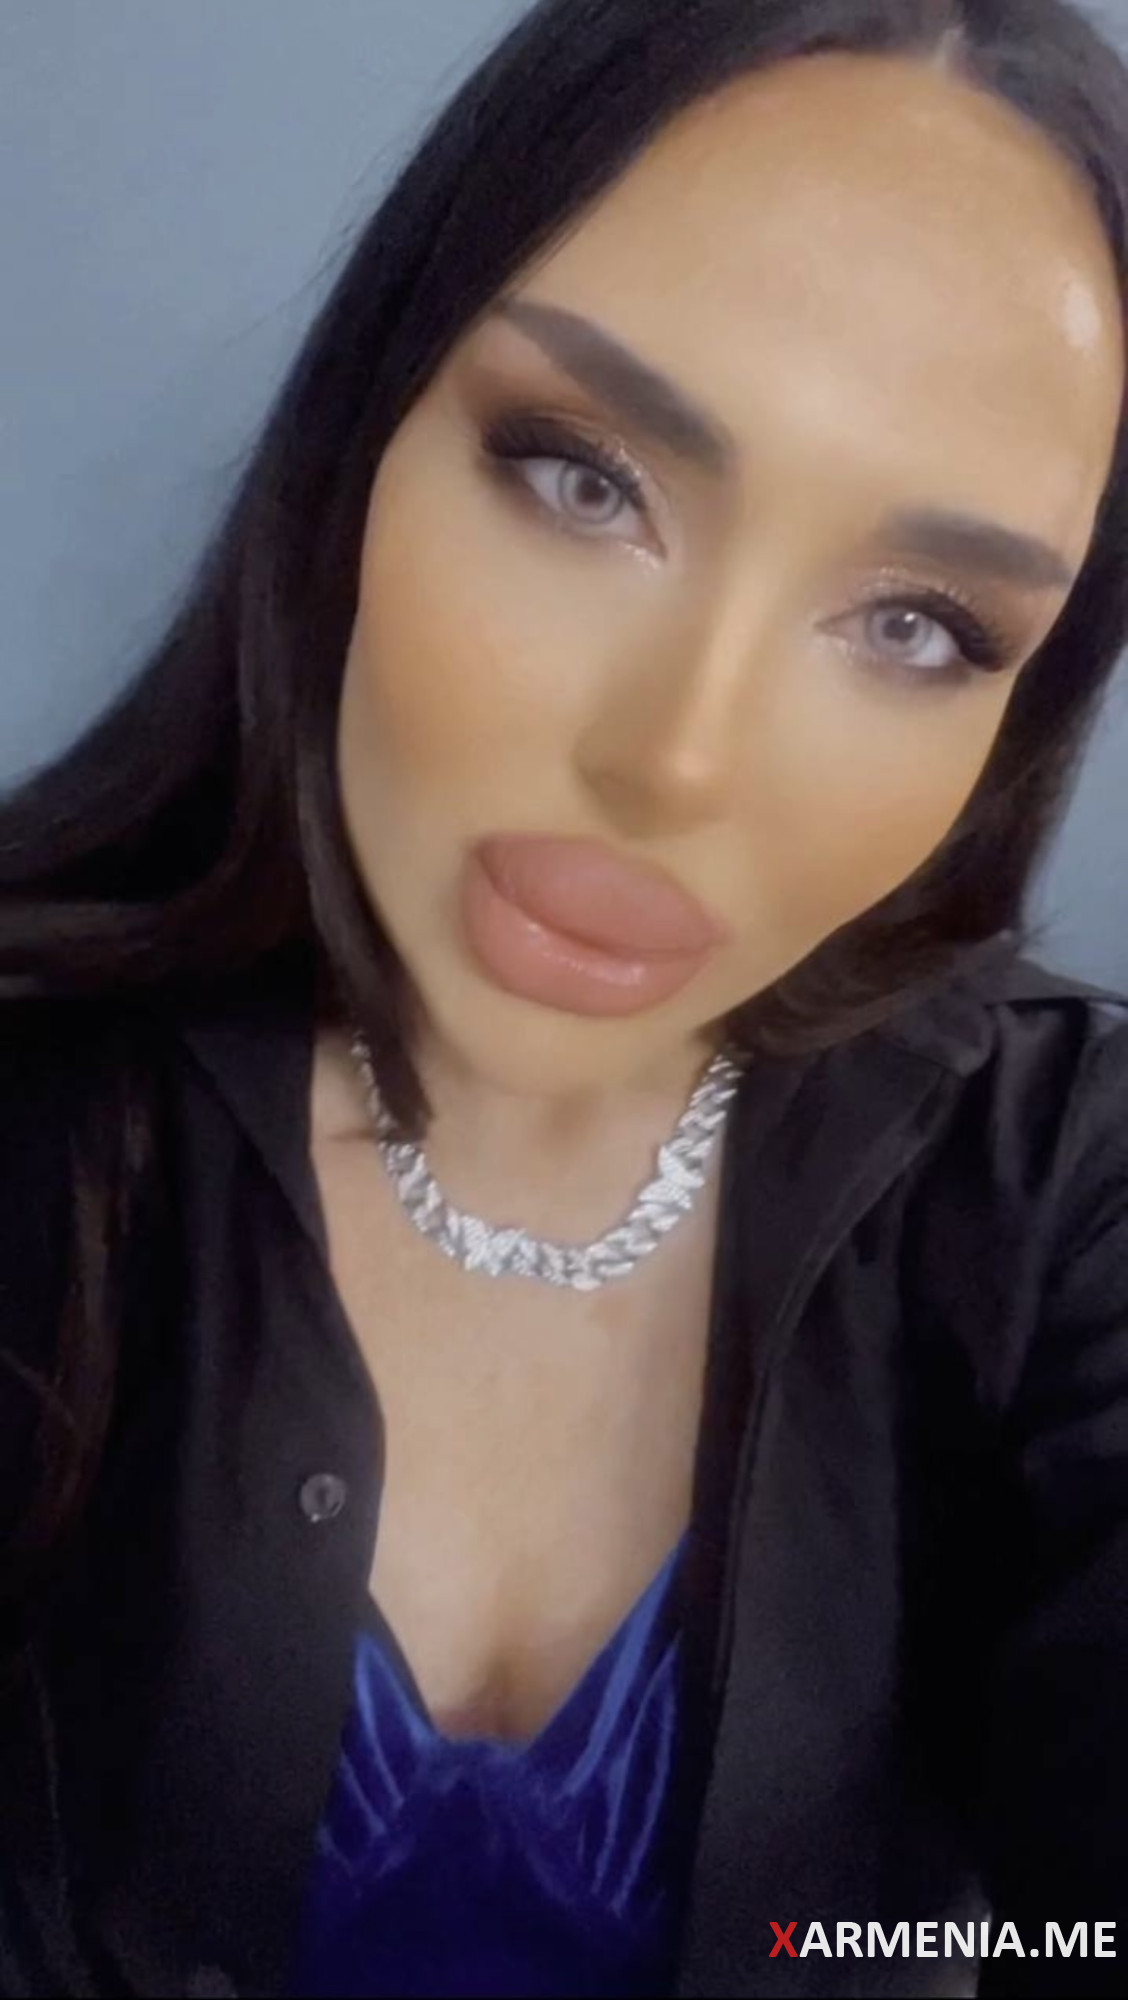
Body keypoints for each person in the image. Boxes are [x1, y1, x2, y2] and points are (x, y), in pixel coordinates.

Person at [1, 0, 1127, 1993]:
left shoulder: (1060, 1192)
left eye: (918, 624)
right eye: (585, 479)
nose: (677, 762)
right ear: (370, 437)